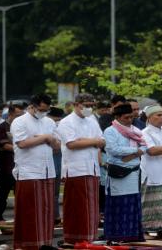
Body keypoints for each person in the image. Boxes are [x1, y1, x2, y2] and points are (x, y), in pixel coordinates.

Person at [10, 94, 59, 250]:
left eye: (46, 110)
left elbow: (57, 146)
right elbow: (23, 143)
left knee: (46, 211)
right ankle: (29, 245)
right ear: (32, 106)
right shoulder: (19, 121)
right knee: (30, 211)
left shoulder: (49, 121)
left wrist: (48, 139)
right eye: (41, 109)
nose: (43, 112)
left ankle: (45, 243)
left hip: (47, 171)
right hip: (28, 171)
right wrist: (45, 137)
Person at [57, 93, 105, 244]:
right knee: (77, 206)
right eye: (87, 105)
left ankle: (90, 237)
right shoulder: (66, 122)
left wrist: (85, 141)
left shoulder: (92, 120)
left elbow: (102, 141)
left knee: (92, 207)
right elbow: (72, 144)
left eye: (92, 105)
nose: (90, 108)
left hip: (93, 168)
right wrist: (93, 141)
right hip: (76, 169)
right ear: (77, 104)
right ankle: (74, 238)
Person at [103, 104, 145, 242]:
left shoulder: (136, 130)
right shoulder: (110, 131)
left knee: (132, 203)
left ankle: (132, 234)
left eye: (132, 117)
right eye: (126, 117)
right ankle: (117, 235)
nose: (129, 120)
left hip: (134, 171)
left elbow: (145, 146)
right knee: (119, 203)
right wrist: (134, 151)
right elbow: (113, 149)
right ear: (117, 117)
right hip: (119, 172)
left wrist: (132, 154)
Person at [0, 104, 25, 225]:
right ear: (10, 114)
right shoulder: (2, 128)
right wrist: (23, 147)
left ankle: (20, 218)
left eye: (22, 115)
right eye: (17, 115)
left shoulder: (22, 127)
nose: (20, 117)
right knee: (2, 194)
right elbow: (5, 146)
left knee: (21, 195)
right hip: (6, 166)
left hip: (22, 166)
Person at [47, 107, 65, 225]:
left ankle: (52, 216)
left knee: (49, 192)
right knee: (55, 193)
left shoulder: (50, 126)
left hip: (50, 162)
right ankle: (56, 216)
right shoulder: (63, 125)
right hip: (59, 163)